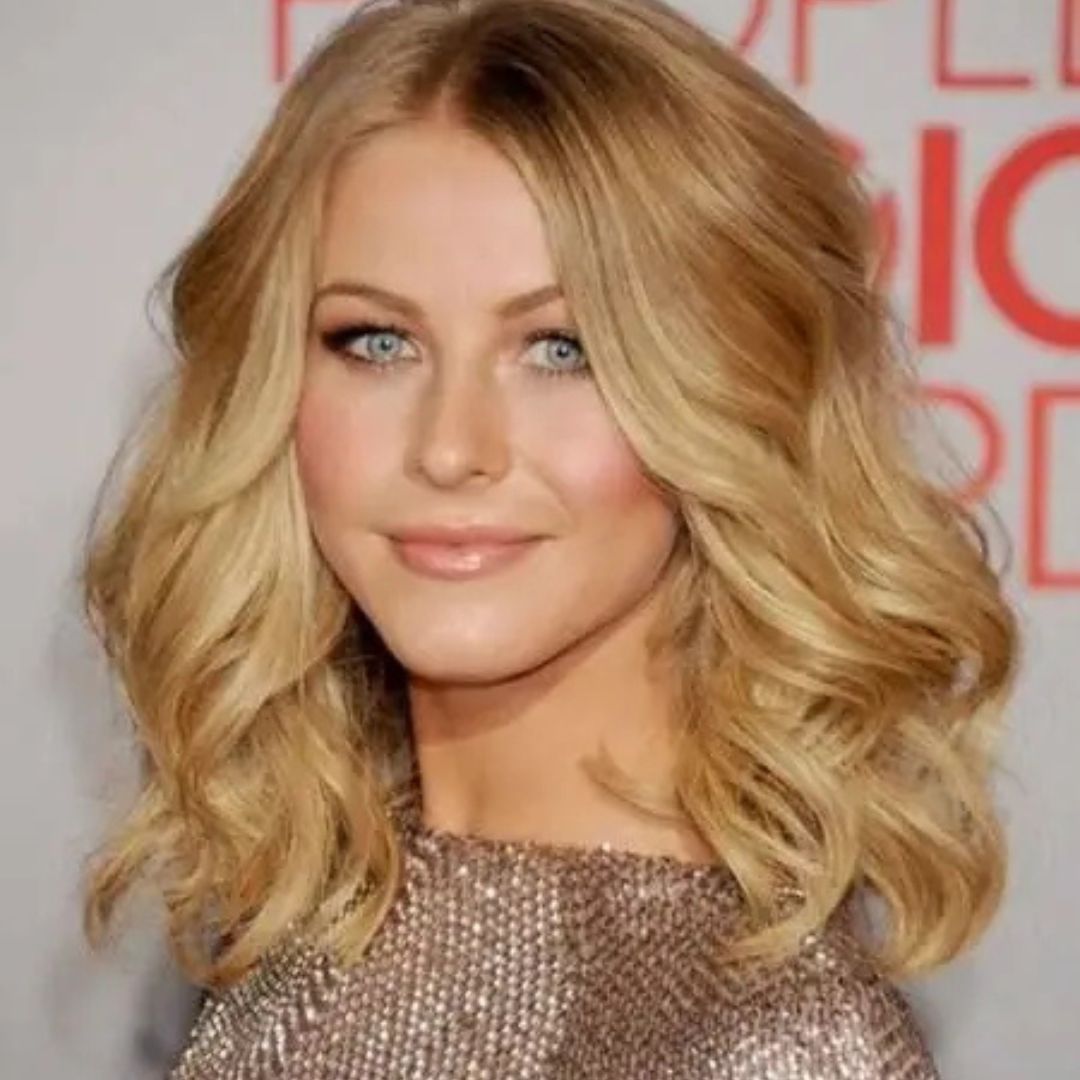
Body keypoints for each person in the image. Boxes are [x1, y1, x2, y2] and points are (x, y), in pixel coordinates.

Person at [78, 0, 1020, 1076]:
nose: (451, 448)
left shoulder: (776, 1045)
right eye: (376, 342)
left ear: (731, 399)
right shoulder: (304, 953)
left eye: (560, 349)